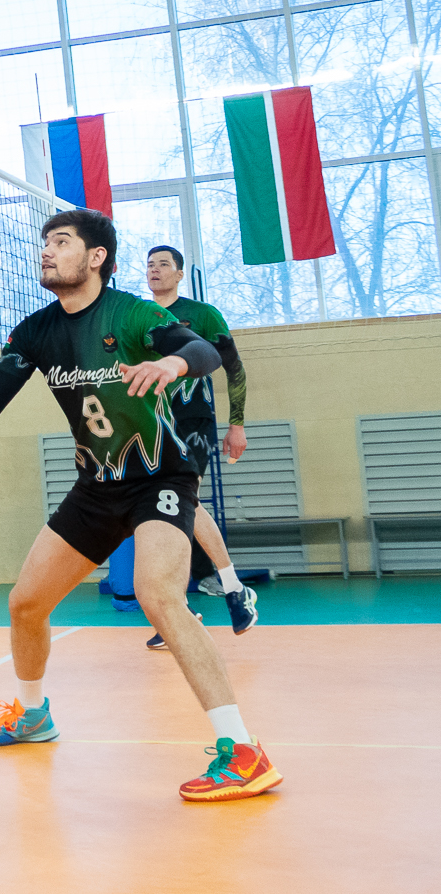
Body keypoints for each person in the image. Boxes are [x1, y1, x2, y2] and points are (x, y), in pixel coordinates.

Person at [0, 209, 280, 801]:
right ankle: (33, 715)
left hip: (160, 477)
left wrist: (170, 362)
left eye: (61, 242)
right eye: (45, 242)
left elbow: (204, 351)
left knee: (159, 596)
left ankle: (243, 751)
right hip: (95, 486)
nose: (47, 251)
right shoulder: (35, 331)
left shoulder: (132, 313)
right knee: (26, 603)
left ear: (96, 256)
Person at [143, 245, 257, 647]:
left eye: (164, 265)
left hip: (193, 423)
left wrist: (236, 424)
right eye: (150, 265)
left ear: (179, 274)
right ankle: (193, 605)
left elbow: (235, 368)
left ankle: (227, 590)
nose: (155, 270)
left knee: (180, 502)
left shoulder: (203, 315)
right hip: (151, 423)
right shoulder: (140, 316)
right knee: (163, 511)